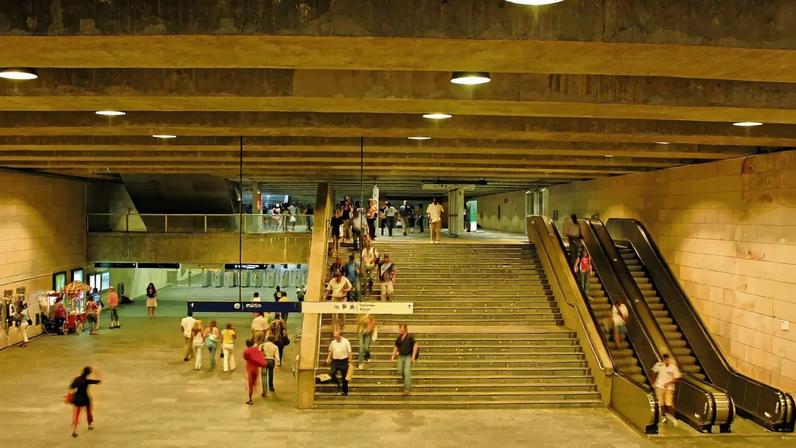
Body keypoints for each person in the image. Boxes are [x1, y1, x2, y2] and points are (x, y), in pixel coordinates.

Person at [68, 366, 101, 438]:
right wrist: (97, 372)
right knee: (88, 412)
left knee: (76, 415)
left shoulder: (77, 379)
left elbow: (71, 387)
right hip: (85, 399)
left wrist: (71, 395)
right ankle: (90, 425)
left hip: (77, 399)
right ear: (88, 373)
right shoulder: (86, 381)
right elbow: (98, 381)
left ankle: (74, 431)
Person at [652, 354, 682, 426]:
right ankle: (664, 416)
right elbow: (653, 373)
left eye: (667, 359)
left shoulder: (673, 367)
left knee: (669, 403)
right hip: (659, 386)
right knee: (660, 403)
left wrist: (669, 383)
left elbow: (678, 379)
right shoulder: (658, 365)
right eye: (664, 359)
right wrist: (653, 383)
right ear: (662, 359)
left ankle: (673, 417)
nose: (666, 360)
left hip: (669, 388)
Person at [391, 323, 419, 396]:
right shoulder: (399, 338)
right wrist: (393, 356)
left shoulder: (410, 337)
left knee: (407, 372)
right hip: (400, 357)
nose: (400, 329)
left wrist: (413, 357)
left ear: (405, 329)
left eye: (402, 328)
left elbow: (415, 346)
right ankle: (406, 381)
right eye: (400, 328)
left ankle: (407, 389)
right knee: (400, 371)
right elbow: (396, 347)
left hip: (408, 357)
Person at [326, 330, 353, 396]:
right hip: (335, 361)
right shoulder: (333, 342)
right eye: (334, 336)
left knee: (344, 378)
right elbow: (330, 351)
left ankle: (345, 392)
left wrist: (350, 361)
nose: (335, 338)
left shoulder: (346, 341)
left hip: (344, 361)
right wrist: (328, 357)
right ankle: (338, 383)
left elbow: (349, 352)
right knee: (331, 373)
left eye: (336, 336)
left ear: (340, 335)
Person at [243, 339, 267, 405]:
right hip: (256, 369)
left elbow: (245, 358)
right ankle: (257, 390)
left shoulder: (246, 351)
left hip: (250, 369)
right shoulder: (256, 350)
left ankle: (250, 399)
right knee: (255, 382)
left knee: (250, 384)